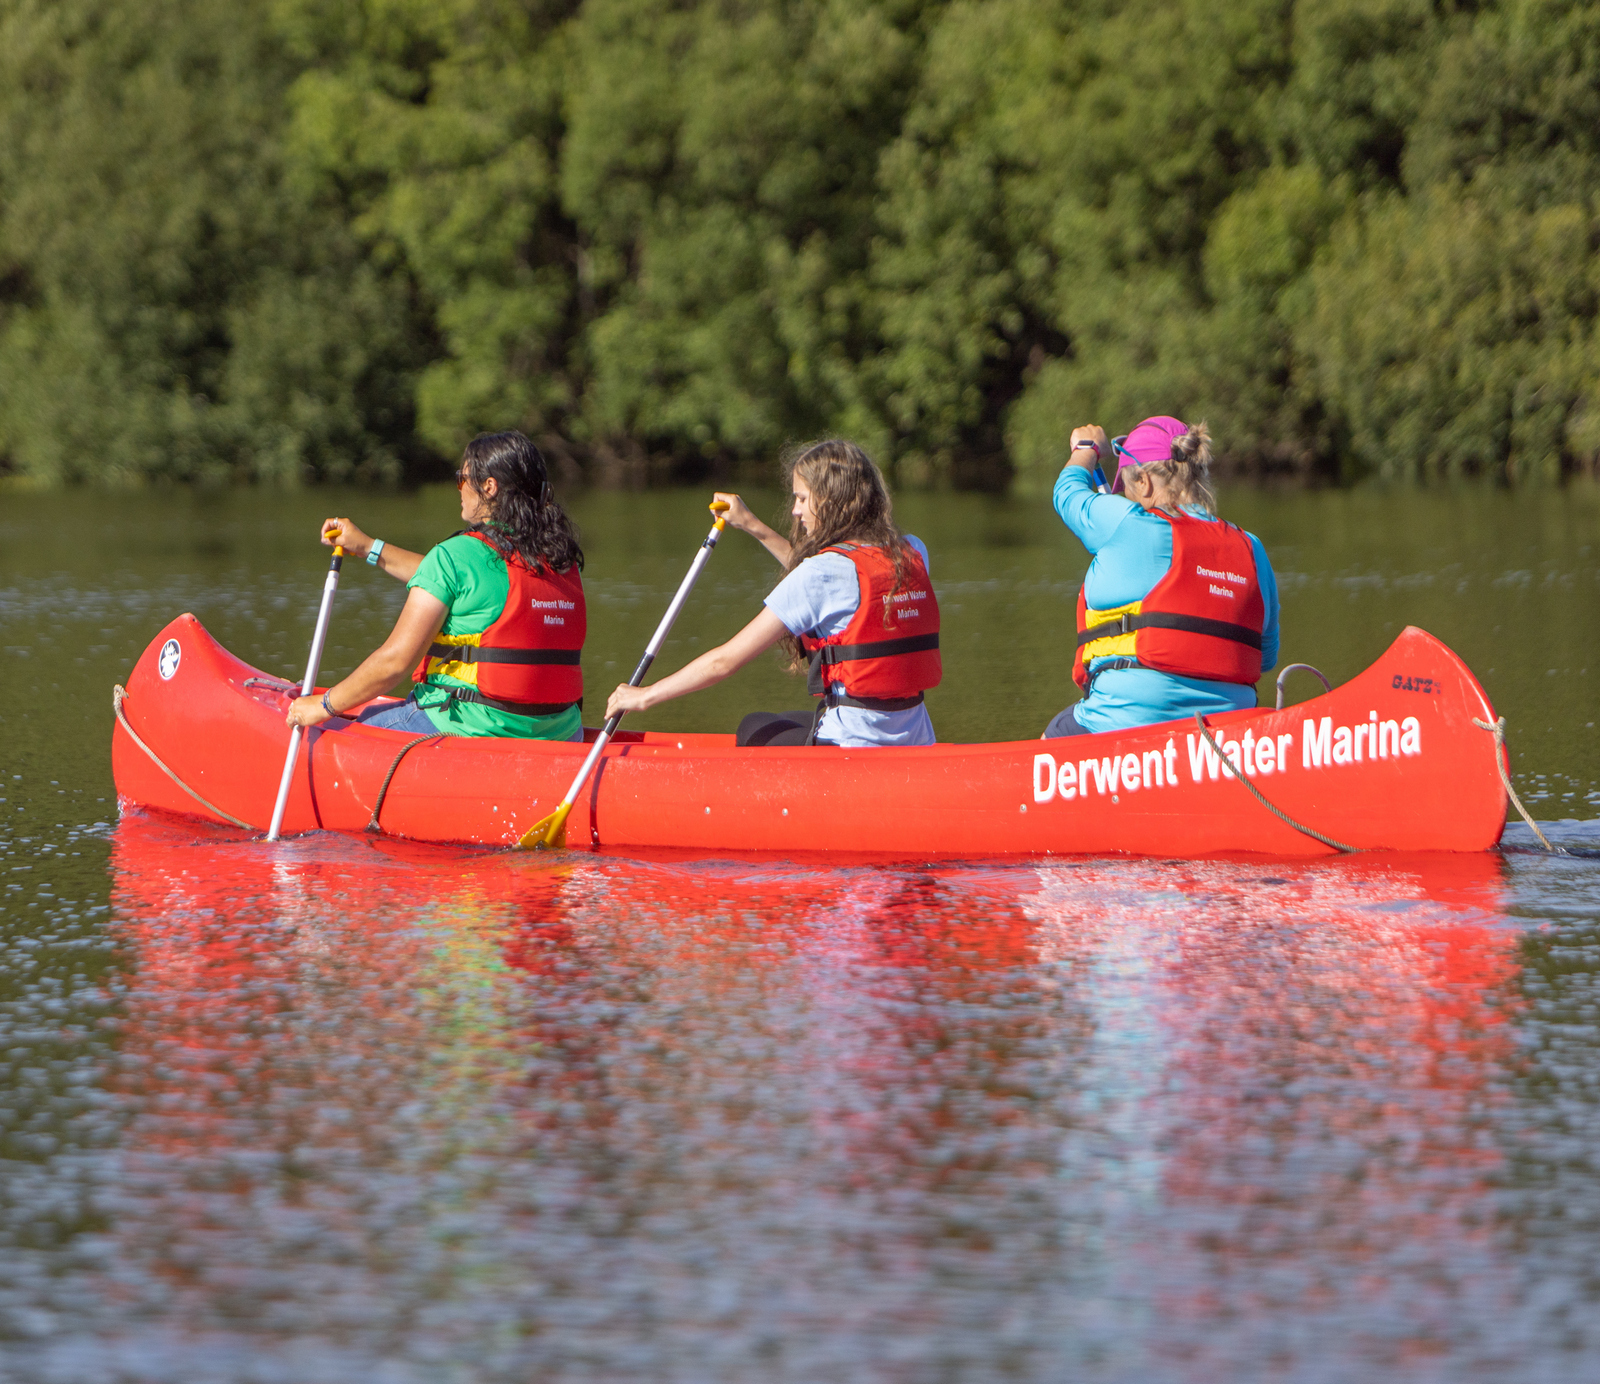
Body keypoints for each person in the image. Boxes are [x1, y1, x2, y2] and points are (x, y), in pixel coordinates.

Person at [604, 439, 941, 747]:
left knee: (753, 727)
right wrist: (751, 524)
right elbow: (827, 578)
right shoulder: (912, 552)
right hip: (916, 737)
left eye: (802, 498)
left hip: (855, 745)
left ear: (831, 501)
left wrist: (644, 696)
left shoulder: (821, 573)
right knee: (784, 720)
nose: (795, 510)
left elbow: (725, 661)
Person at [285, 431, 586, 740]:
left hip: (470, 726)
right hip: (560, 734)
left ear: (489, 487)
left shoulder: (458, 556)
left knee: (332, 730)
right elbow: (448, 581)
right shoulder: (557, 559)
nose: (458, 488)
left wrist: (322, 707)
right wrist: (367, 547)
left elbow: (394, 663)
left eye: (462, 478)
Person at [1043, 415, 1279, 738]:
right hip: (1233, 731)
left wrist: (1086, 449)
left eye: (1125, 488)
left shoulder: (1128, 522)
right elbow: (1265, 658)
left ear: (1144, 483)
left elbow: (1067, 493)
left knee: (1054, 733)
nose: (1124, 498)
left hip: (1123, 725)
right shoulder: (1251, 548)